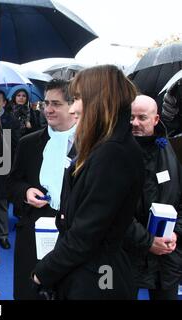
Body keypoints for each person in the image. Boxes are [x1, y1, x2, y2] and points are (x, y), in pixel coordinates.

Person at [32, 64, 145, 300]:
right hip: (91, 270)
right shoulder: (106, 146)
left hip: (97, 276)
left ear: (99, 100)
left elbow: (87, 233)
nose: (73, 108)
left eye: (78, 98)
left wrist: (44, 272)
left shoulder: (113, 153)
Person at [6, 79, 77, 299]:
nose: (48, 109)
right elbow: (12, 183)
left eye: (56, 103)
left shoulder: (89, 144)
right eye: (46, 102)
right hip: (33, 230)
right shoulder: (29, 143)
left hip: (72, 236)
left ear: (73, 106)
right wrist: (25, 192)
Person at [124, 95, 182, 300]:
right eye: (131, 117)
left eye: (142, 118)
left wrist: (175, 232)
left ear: (156, 119)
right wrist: (148, 241)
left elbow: (180, 198)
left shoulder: (171, 150)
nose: (135, 123)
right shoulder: (116, 152)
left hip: (166, 256)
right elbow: (113, 208)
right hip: (126, 252)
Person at [0, 89, 21, 249]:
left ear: (4, 102)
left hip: (4, 166)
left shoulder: (12, 120)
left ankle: (3, 235)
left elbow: (15, 143)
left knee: (2, 202)